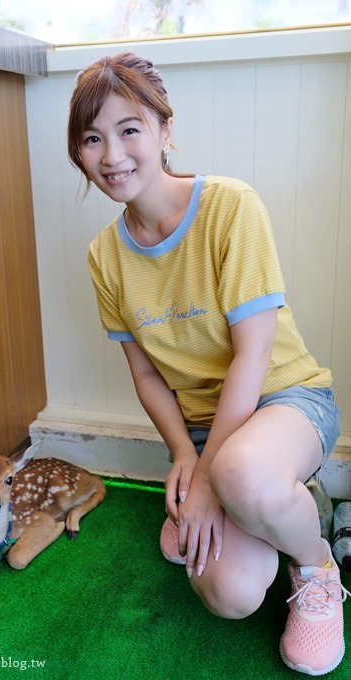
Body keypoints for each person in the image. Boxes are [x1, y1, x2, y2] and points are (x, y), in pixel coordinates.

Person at [67, 52, 349, 675]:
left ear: (166, 130)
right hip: (207, 431)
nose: (111, 154)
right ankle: (275, 500)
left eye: (129, 128)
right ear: (79, 154)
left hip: (285, 402)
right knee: (232, 593)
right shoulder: (102, 257)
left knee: (245, 476)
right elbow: (145, 375)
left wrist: (213, 481)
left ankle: (316, 563)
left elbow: (253, 353)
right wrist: (187, 460)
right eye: (92, 139)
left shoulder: (229, 206)